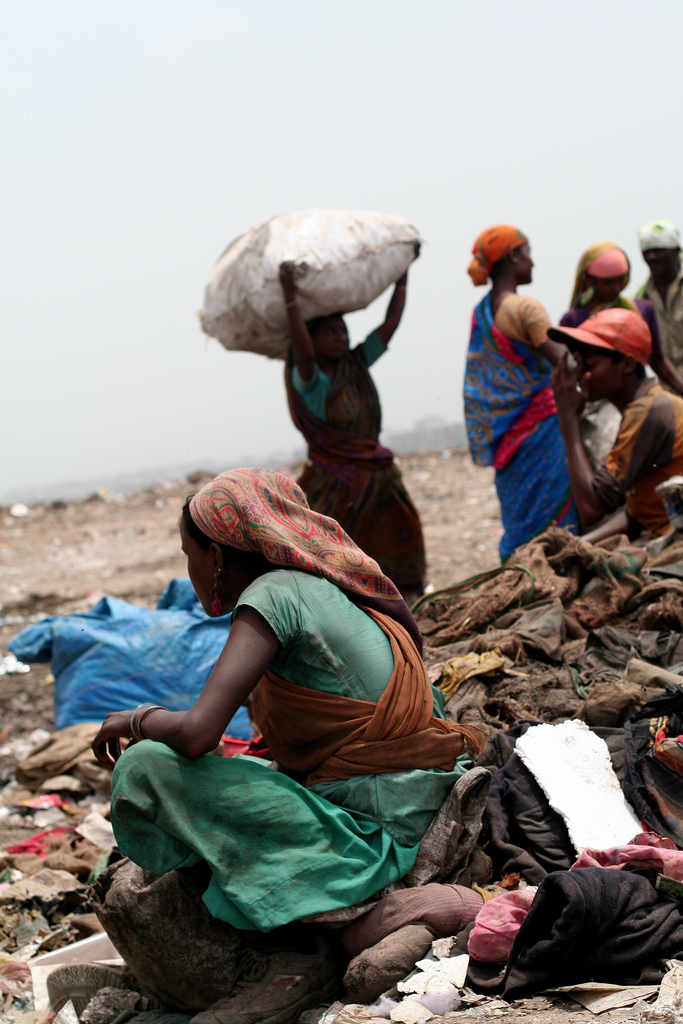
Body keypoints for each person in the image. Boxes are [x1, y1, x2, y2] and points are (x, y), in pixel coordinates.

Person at [92, 468, 485, 935]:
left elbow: (198, 733)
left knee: (145, 768)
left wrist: (136, 719)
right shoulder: (326, 586)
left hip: (378, 828)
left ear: (215, 556)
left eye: (188, 554)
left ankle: (352, 918)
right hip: (418, 797)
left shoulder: (272, 595)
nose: (189, 569)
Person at [278, 259, 426, 601]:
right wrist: (290, 296)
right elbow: (299, 347)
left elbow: (390, 325)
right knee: (332, 553)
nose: (340, 337)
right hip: (335, 483)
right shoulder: (310, 381)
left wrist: (401, 277)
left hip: (378, 476)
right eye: (329, 332)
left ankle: (399, 603)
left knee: (400, 539)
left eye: (343, 330)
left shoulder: (357, 363)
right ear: (311, 341)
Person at [464, 224, 579, 561]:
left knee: (521, 517)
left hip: (509, 438)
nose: (533, 263)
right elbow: (565, 365)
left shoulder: (483, 311)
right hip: (544, 430)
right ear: (514, 256)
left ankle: (521, 569)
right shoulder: (525, 309)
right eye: (529, 255)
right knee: (555, 516)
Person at [550, 308, 683, 542]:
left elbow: (591, 509)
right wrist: (577, 545)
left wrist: (568, 419)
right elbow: (637, 515)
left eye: (589, 364)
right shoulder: (642, 407)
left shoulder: (649, 410)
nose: (581, 374)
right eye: (579, 362)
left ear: (628, 365)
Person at [560, 241, 683, 396]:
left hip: (636, 393)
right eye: (608, 282)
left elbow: (658, 362)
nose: (616, 287)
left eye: (621, 279)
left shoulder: (642, 310)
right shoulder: (573, 319)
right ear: (589, 280)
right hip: (594, 399)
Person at [636, 219, 683, 378]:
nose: (651, 256)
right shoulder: (641, 299)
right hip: (668, 389)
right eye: (646, 252)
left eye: (658, 250)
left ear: (676, 251)